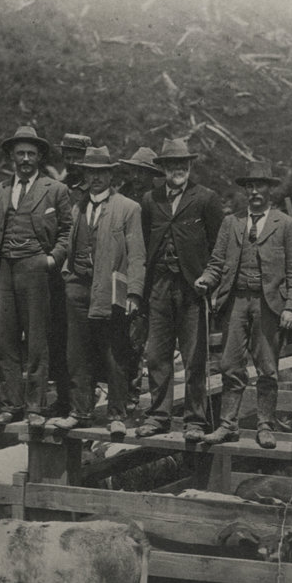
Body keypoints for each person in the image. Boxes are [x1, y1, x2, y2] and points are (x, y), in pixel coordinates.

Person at [194, 160, 292, 449]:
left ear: (270, 190)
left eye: (260, 186)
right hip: (236, 301)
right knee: (230, 365)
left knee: (267, 368)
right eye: (250, 186)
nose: (255, 191)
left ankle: (265, 425)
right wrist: (206, 279)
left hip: (269, 305)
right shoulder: (232, 223)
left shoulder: (286, 224)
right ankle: (227, 425)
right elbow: (217, 262)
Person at [0, 126, 72, 427]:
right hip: (5, 268)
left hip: (37, 269)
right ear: (11, 157)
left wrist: (52, 258)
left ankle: (34, 407)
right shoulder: (0, 190)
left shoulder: (55, 189)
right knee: (5, 341)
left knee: (36, 342)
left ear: (40, 156)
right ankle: (11, 404)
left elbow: (68, 231)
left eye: (32, 154)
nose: (26, 159)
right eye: (20, 154)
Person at [47, 146, 145, 433]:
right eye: (91, 172)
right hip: (77, 286)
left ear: (111, 175)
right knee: (77, 352)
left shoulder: (128, 208)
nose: (96, 178)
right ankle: (80, 411)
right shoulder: (78, 207)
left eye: (102, 172)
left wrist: (134, 293)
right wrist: (65, 273)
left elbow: (137, 254)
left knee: (114, 352)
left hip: (111, 288)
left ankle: (116, 415)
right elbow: (68, 241)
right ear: (85, 175)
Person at [136, 139, 224, 442]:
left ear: (190, 166)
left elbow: (219, 247)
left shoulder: (206, 199)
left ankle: (195, 421)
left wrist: (210, 281)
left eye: (183, 164)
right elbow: (145, 243)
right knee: (157, 355)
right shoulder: (150, 199)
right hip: (159, 285)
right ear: (162, 167)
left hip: (193, 289)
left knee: (194, 357)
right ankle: (159, 417)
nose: (178, 169)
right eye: (172, 164)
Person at [46, 133, 92, 418]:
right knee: (59, 340)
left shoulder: (95, 191)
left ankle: (83, 404)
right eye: (69, 155)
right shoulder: (56, 189)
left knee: (84, 344)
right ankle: (64, 399)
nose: (73, 161)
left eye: (78, 155)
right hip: (57, 275)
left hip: (84, 276)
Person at [117, 147, 165, 411]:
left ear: (152, 175)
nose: (136, 176)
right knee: (118, 333)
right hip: (121, 269)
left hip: (147, 273)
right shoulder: (122, 193)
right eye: (134, 170)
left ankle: (132, 395)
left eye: (142, 172)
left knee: (137, 335)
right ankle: (116, 389)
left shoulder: (156, 199)